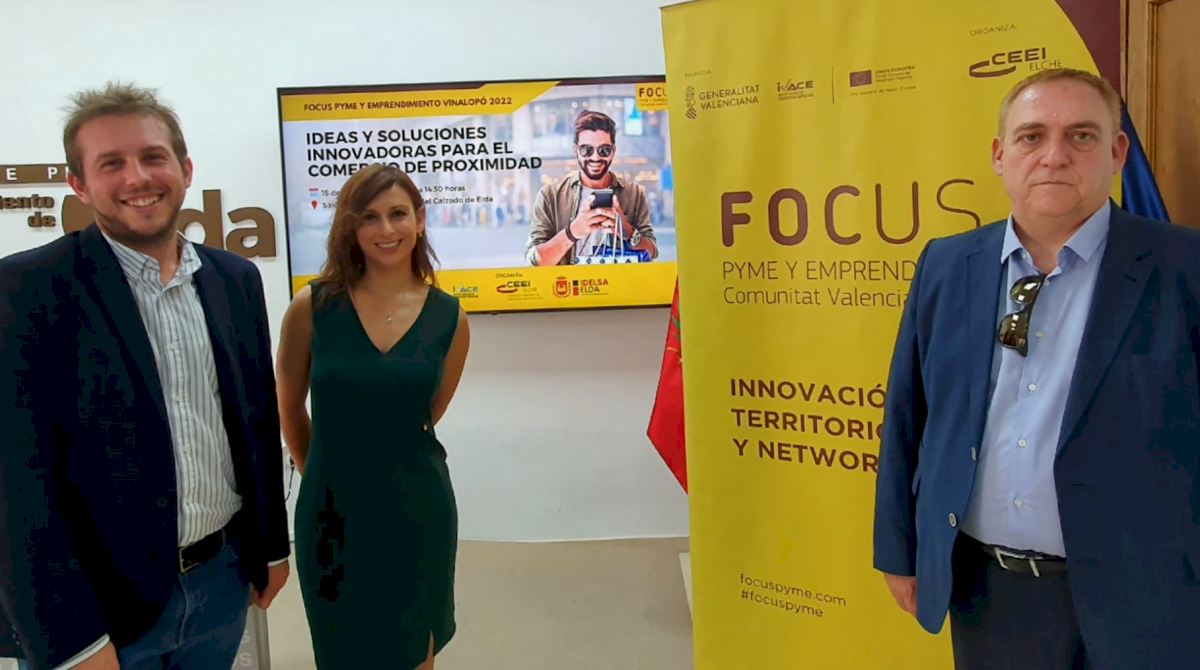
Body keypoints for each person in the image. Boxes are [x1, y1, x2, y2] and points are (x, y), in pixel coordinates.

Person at [873, 67, 1200, 670]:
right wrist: (900, 550)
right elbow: (907, 417)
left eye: (1081, 136)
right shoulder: (947, 265)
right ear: (1000, 155)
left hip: (1148, 594)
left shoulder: (1185, 267)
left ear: (1117, 153)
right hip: (988, 594)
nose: (1054, 156)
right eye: (1031, 136)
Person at [0, 82, 290, 670]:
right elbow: (15, 485)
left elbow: (258, 425)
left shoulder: (235, 280)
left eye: (153, 156)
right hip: (100, 613)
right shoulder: (27, 290)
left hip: (220, 586)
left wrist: (271, 550)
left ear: (185, 169)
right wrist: (70, 642)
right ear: (80, 184)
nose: (137, 177)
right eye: (111, 163)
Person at [276, 164, 470, 669]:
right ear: (351, 226)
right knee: (343, 652)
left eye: (398, 214)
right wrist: (321, 473)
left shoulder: (449, 318)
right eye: (369, 217)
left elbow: (427, 414)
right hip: (331, 513)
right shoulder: (312, 307)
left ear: (419, 220)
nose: (386, 229)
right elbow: (289, 405)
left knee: (414, 652)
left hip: (417, 511)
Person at [525, 110, 658, 265]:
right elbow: (533, 262)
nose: (595, 157)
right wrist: (573, 232)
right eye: (586, 149)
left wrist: (628, 232)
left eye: (604, 150)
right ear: (576, 151)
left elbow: (652, 252)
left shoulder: (634, 194)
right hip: (569, 281)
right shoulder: (550, 196)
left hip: (619, 281)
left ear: (613, 151)